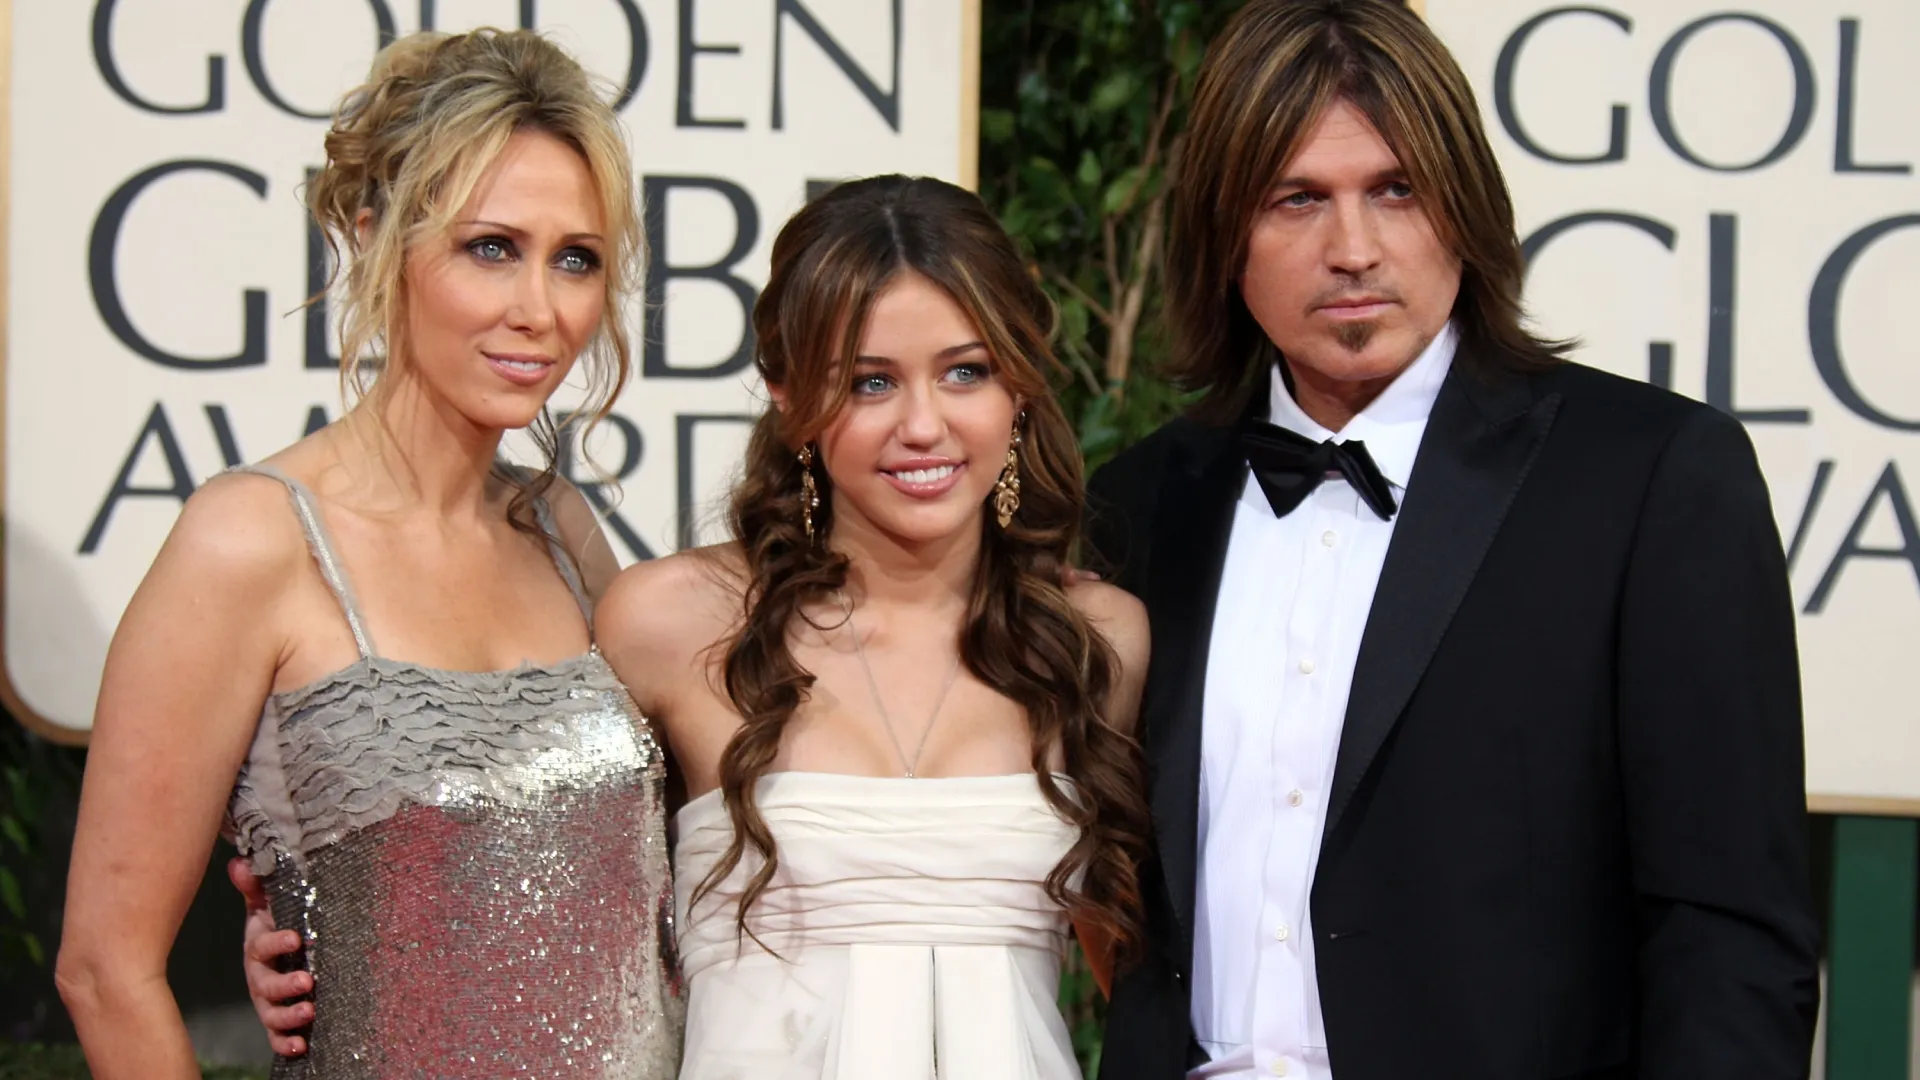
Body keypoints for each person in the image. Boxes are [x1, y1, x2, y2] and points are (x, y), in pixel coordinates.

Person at [243, 174, 1154, 1078]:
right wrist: (325, 921)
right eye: (870, 382)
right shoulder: (671, 622)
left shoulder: (1095, 641)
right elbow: (502, 831)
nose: (924, 424)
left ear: (1021, 388)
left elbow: (1150, 981)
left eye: (967, 371)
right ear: (789, 396)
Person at [1084, 2, 1820, 1079]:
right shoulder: (1143, 505)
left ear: (1466, 210)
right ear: (1223, 237)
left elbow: (1730, 935)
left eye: (1396, 189)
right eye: (1297, 199)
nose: (1353, 249)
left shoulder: (1648, 477)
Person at [56, 28, 683, 1079]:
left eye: (574, 259)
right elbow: (104, 969)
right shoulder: (251, 539)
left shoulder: (561, 528)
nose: (539, 310)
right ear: (374, 234)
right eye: (492, 247)